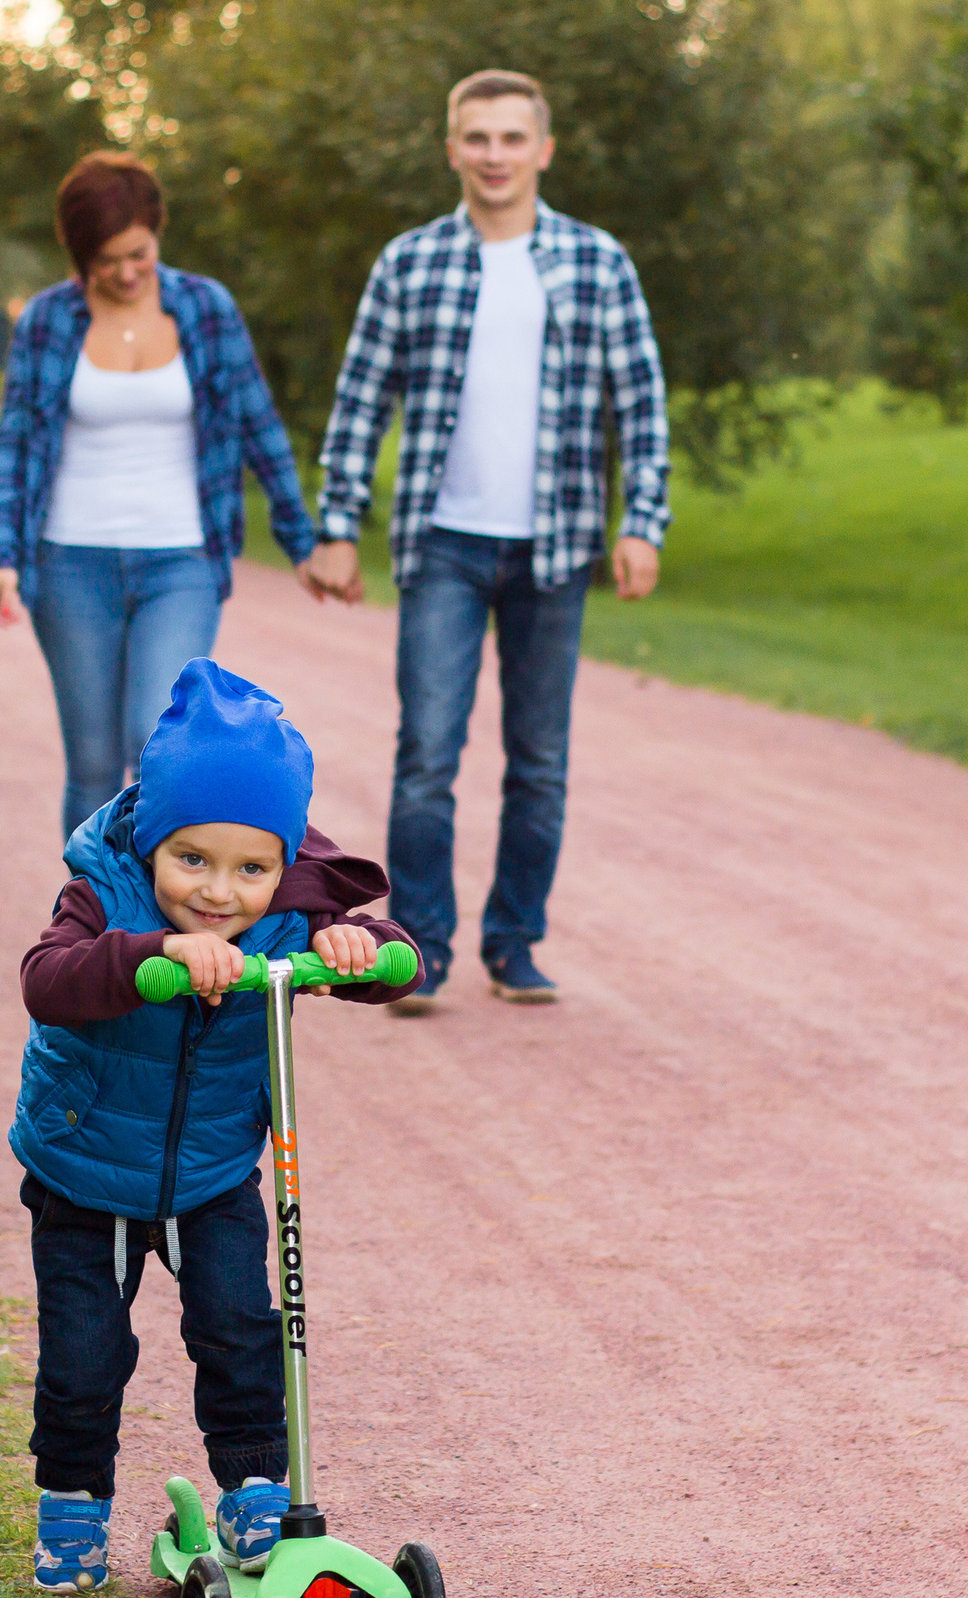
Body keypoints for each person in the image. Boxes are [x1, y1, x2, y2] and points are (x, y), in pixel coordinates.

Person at [10, 660, 419, 1592]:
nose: (220, 893)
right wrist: (150, 953)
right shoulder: (103, 895)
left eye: (251, 869)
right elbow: (47, 979)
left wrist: (357, 947)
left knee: (240, 1328)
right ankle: (73, 1500)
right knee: (84, 1355)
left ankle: (255, 1490)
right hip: (84, 1170)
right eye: (191, 860)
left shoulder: (289, 916)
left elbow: (401, 962)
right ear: (151, 840)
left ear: (283, 862)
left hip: (214, 1171)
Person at [303, 69, 670, 1013]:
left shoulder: (597, 262)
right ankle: (420, 950)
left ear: (543, 149)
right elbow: (359, 403)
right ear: (452, 148)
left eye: (512, 138)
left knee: (538, 759)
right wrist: (337, 524)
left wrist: (643, 521)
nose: (495, 155)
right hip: (444, 546)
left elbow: (640, 403)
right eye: (478, 137)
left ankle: (515, 943)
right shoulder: (409, 262)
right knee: (427, 751)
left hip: (556, 547)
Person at [0, 151, 319, 837]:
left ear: (158, 233)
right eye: (106, 261)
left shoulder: (205, 308)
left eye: (139, 253)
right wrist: (3, 555)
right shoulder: (48, 320)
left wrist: (302, 541)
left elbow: (258, 424)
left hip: (181, 561)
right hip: (70, 563)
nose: (127, 272)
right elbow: (15, 442)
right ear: (80, 256)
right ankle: (92, 908)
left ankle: (154, 903)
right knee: (92, 765)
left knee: (154, 743)